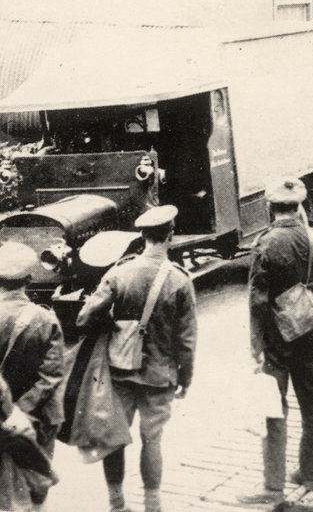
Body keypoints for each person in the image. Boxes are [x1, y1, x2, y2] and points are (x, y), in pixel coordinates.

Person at [77, 205, 197, 512]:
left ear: (142, 236)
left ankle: (116, 504)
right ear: (170, 235)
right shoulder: (179, 279)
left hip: (120, 369)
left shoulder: (118, 272)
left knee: (115, 437)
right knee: (152, 440)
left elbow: (84, 318)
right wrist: (185, 377)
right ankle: (152, 505)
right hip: (160, 373)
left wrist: (113, 325)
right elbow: (186, 339)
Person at [239, 179, 313, 504]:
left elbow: (257, 301)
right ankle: (309, 475)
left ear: (270, 208)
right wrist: (308, 288)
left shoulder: (265, 243)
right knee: (312, 405)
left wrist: (256, 344)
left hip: (276, 340)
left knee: (275, 408)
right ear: (300, 207)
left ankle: (273, 488)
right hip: (310, 333)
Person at [0, 242, 65, 511]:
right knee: (36, 485)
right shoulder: (45, 319)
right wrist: (21, 413)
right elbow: (51, 376)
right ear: (29, 279)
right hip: (37, 419)